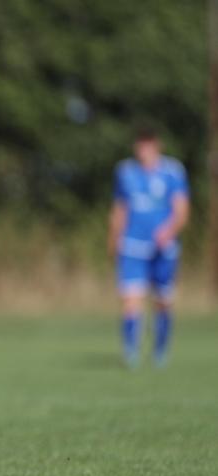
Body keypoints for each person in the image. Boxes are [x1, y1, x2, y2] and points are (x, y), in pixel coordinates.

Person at [109, 128, 189, 367]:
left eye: (148, 145)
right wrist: (113, 239)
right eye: (140, 145)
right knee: (131, 299)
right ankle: (131, 352)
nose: (143, 150)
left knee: (163, 301)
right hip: (132, 245)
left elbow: (182, 211)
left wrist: (168, 231)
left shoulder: (172, 171)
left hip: (164, 248)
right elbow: (119, 210)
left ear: (157, 146)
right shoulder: (125, 172)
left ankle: (160, 351)